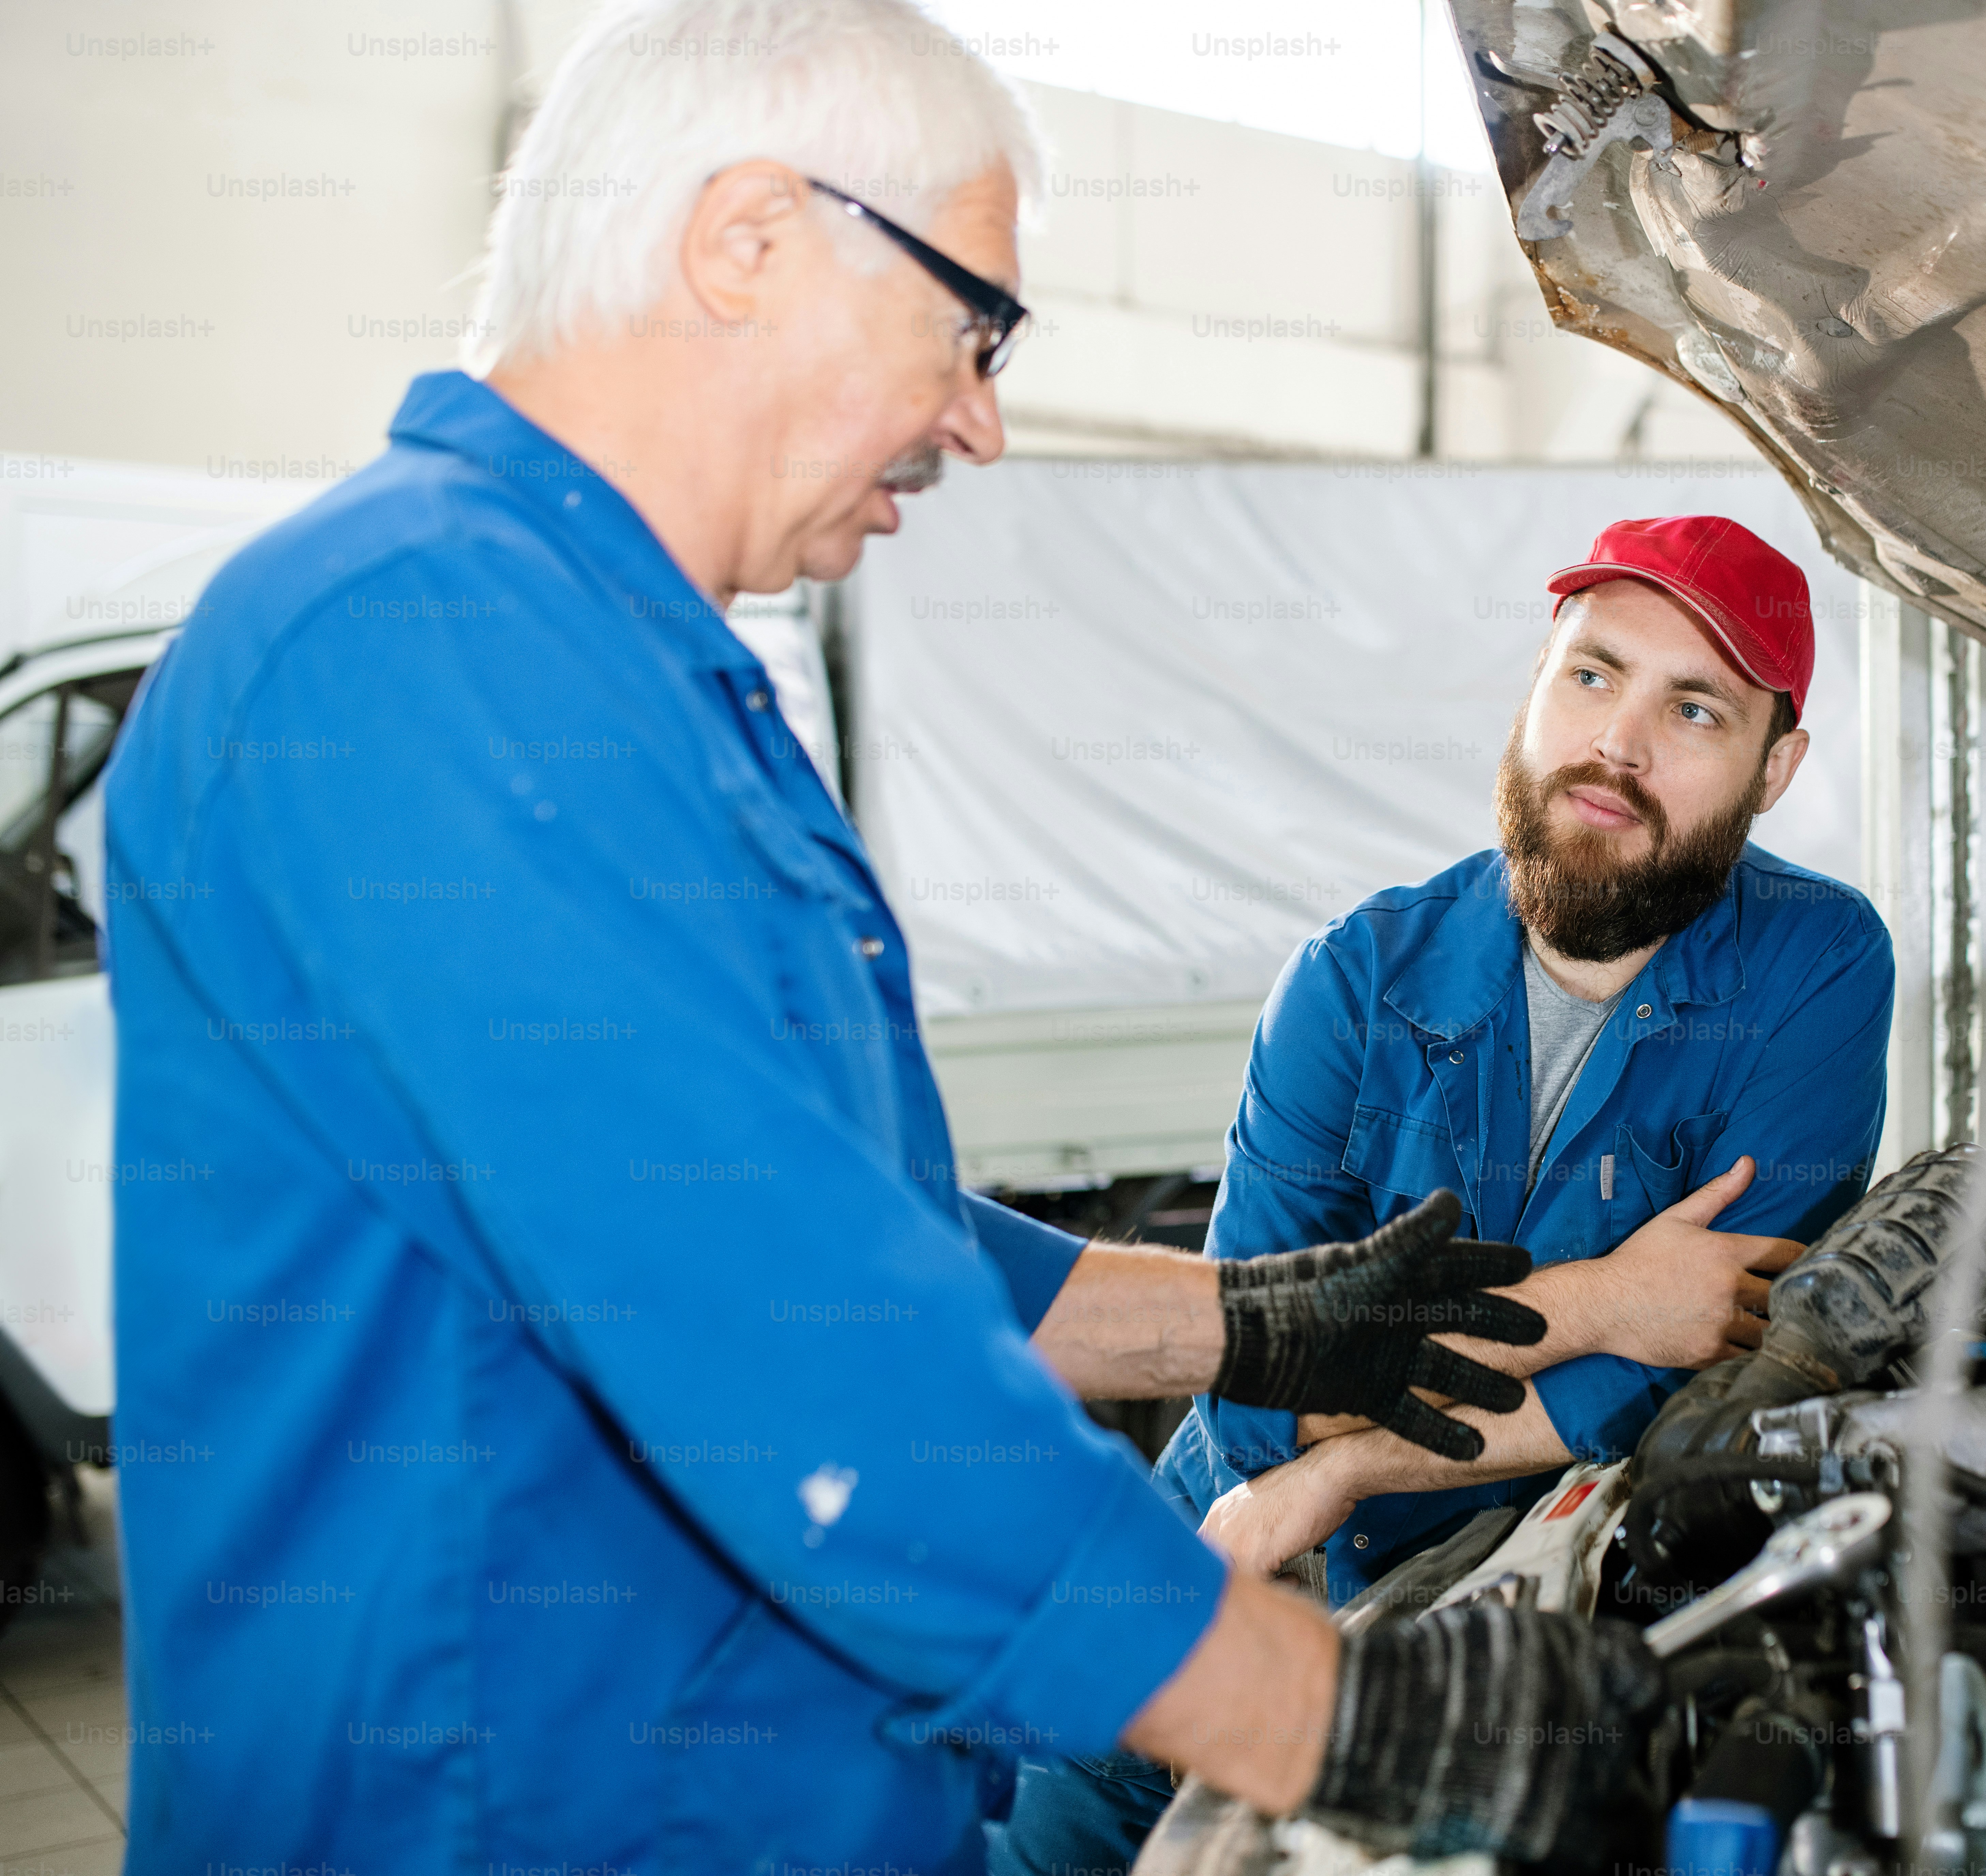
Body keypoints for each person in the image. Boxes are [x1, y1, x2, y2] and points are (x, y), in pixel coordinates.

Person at [99, 4, 1659, 1871]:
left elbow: (844, 1229)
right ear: (749, 237)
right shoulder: (429, 642)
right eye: (973, 327)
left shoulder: (627, 671)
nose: (981, 422)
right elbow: (776, 1334)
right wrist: (1348, 1716)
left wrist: (1248, 1325)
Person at [997, 515, 1894, 1876]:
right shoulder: (1351, 980)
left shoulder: (1818, 971)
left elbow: (1698, 1371)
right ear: (1534, 688)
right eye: (1591, 674)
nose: (1619, 742)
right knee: (1062, 1831)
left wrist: (1356, 1453)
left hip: (1523, 1561)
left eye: (1694, 705)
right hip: (1234, 1527)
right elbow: (1253, 1373)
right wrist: (1607, 1302)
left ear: (1778, 767)